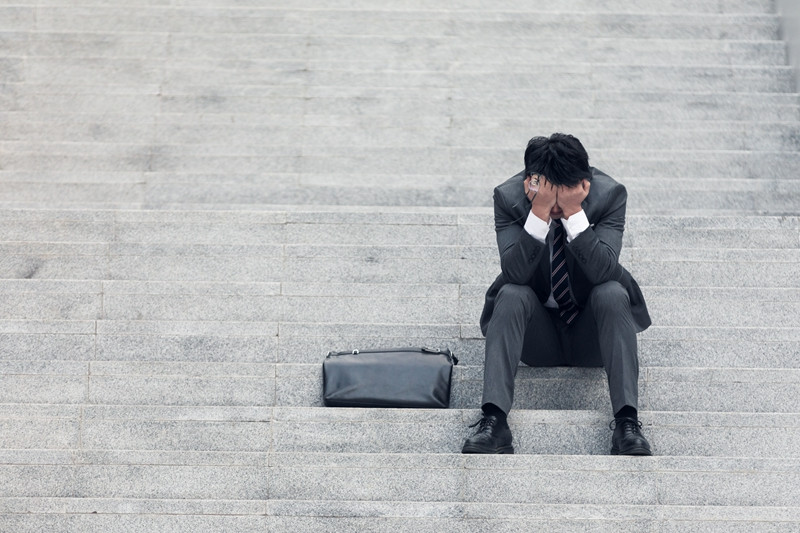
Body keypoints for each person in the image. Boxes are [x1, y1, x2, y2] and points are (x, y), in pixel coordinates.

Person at [462, 133, 653, 456]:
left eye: (562, 192)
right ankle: (494, 421)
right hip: (537, 338)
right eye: (544, 191)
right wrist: (537, 215)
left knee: (611, 292)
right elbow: (516, 273)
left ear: (583, 183)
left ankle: (626, 423)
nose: (554, 202)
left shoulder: (609, 196)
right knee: (510, 293)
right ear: (529, 182)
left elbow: (605, 270)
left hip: (593, 335)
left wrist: (575, 215)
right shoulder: (509, 199)